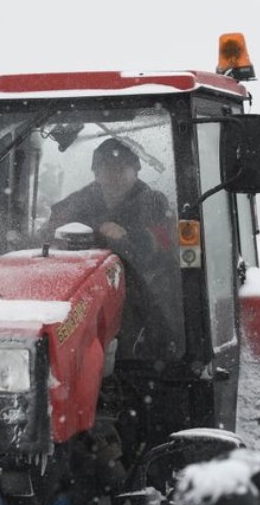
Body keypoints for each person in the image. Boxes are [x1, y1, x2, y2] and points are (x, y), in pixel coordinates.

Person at [40, 137, 179, 358]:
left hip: (141, 290)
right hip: (88, 292)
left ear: (136, 171)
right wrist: (94, 229)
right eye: (107, 169)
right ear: (96, 173)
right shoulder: (80, 201)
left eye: (122, 169)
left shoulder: (152, 203)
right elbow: (49, 231)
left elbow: (165, 244)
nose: (114, 176)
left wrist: (130, 237)